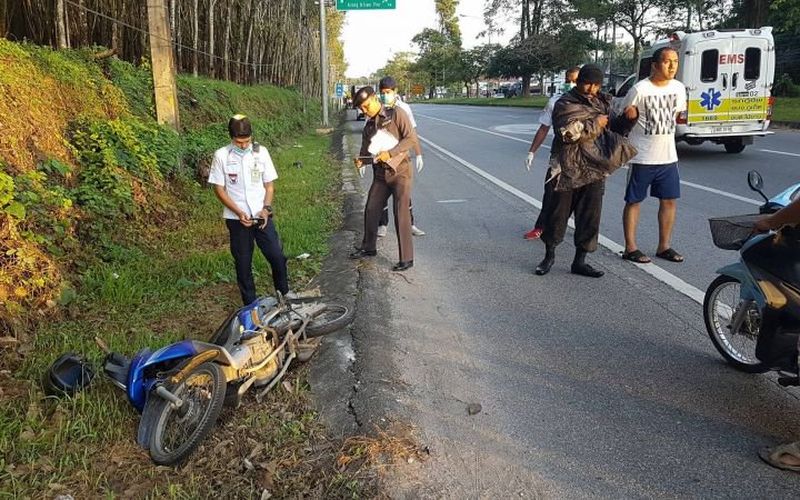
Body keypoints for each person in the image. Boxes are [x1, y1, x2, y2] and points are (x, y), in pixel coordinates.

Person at [537, 64, 636, 277]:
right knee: (557, 215)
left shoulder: (603, 102)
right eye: (587, 83)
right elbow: (567, 134)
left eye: (596, 84)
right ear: (579, 81)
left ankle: (580, 261)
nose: (591, 88)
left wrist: (629, 119)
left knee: (590, 217)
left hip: (594, 168)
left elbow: (612, 130)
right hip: (567, 168)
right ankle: (549, 256)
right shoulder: (565, 103)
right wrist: (596, 123)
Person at [208, 114, 291, 305]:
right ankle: (251, 305)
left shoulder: (261, 153)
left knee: (277, 256)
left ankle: (284, 294)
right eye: (239, 142)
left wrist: (266, 208)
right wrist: (238, 212)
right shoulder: (221, 155)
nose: (244, 146)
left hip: (261, 217)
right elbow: (219, 189)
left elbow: (269, 186)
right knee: (243, 264)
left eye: (247, 141)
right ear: (231, 138)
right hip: (237, 220)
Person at [621, 47, 687, 264]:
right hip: (642, 158)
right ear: (655, 65)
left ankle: (664, 246)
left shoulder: (678, 88)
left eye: (675, 62)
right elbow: (623, 117)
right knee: (634, 201)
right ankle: (631, 247)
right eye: (667, 62)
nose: (672, 66)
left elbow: (676, 114)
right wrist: (630, 115)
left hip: (668, 157)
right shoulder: (640, 89)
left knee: (669, 201)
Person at [349, 86, 418, 271]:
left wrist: (391, 152)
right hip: (380, 175)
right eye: (361, 109)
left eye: (366, 106)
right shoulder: (369, 126)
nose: (364, 111)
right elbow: (366, 152)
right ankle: (368, 247)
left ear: (374, 98)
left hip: (400, 172)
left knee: (400, 212)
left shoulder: (396, 114)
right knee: (372, 208)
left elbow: (411, 139)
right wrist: (361, 161)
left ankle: (406, 258)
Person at [524, 66, 581, 240]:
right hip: (560, 155)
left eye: (574, 80)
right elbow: (544, 128)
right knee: (550, 192)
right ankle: (541, 227)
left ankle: (581, 234)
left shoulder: (589, 102)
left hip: (583, 156)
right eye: (567, 80)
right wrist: (532, 151)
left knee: (581, 197)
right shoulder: (555, 102)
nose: (570, 84)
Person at [377, 76, 426, 238]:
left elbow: (411, 134)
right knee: (381, 195)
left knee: (404, 195)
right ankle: (382, 225)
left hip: (399, 158)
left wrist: (418, 153)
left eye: (388, 92)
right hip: (381, 158)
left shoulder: (403, 108)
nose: (385, 95)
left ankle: (409, 224)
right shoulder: (376, 108)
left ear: (395, 91)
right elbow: (369, 133)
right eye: (382, 92)